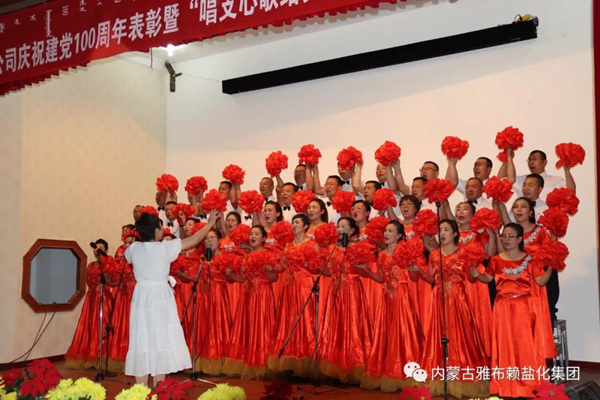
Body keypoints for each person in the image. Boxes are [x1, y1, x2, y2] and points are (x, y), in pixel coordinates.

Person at [124, 209, 217, 386]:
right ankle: (159, 389)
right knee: (161, 339)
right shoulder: (165, 248)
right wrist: (211, 223)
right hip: (159, 295)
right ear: (156, 230)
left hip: (141, 296)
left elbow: (128, 256)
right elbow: (194, 239)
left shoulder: (134, 249)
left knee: (141, 340)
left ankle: (139, 391)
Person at [470, 223, 554, 398]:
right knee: (504, 345)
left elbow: (540, 281)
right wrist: (478, 275)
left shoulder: (530, 259)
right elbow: (488, 279)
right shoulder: (496, 260)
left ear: (520, 239)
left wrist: (552, 266)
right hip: (502, 307)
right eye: (504, 236)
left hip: (523, 307)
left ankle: (528, 385)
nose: (506, 240)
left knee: (525, 345)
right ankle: (506, 385)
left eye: (510, 236)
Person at [415, 219, 489, 398]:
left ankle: (461, 377)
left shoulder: (464, 252)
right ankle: (439, 378)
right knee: (437, 336)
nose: (442, 233)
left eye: (447, 229)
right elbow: (431, 279)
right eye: (440, 229)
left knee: (460, 337)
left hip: (457, 298)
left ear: (455, 233)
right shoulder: (434, 254)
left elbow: (470, 280)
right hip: (438, 298)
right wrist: (418, 271)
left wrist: (474, 273)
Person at [359, 221, 424, 392]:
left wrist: (414, 269)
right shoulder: (381, 255)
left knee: (403, 333)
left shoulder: (404, 251)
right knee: (386, 333)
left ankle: (406, 371)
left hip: (401, 295)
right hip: (386, 296)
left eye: (390, 231)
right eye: (385, 231)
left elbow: (414, 278)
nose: (386, 234)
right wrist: (367, 271)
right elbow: (381, 278)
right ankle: (389, 371)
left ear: (399, 235)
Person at [318, 217, 373, 383]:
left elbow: (364, 272)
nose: (339, 229)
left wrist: (362, 267)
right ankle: (337, 365)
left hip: (352, 290)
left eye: (344, 226)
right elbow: (328, 272)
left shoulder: (357, 248)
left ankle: (355, 365)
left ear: (351, 231)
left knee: (353, 325)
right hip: (335, 290)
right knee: (337, 326)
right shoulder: (331, 248)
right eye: (338, 226)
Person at [223, 226, 279, 380]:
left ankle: (262, 362)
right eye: (251, 234)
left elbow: (274, 278)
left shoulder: (268, 254)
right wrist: (231, 274)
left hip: (262, 294)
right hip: (247, 295)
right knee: (247, 327)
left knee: (261, 326)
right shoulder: (246, 256)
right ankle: (248, 360)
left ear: (264, 238)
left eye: (256, 234)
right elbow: (242, 278)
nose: (253, 236)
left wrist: (267, 270)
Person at [268, 214, 320, 377]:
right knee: (288, 319)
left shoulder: (312, 244)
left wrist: (307, 264)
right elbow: (281, 267)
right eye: (293, 222)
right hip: (289, 286)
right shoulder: (288, 245)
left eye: (297, 222)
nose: (294, 225)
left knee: (304, 319)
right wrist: (268, 263)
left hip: (304, 285)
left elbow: (316, 267)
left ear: (305, 226)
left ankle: (306, 360)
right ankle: (289, 360)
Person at [65, 239, 114, 370]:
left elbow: (111, 281)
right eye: (95, 249)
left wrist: (106, 265)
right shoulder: (91, 265)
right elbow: (88, 281)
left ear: (106, 250)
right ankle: (90, 357)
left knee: (102, 326)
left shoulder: (108, 264)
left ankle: (102, 357)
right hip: (91, 300)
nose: (97, 252)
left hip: (103, 298)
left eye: (101, 249)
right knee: (89, 328)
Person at [193, 229, 234, 375]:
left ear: (220, 240)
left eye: (212, 237)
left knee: (217, 323)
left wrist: (229, 273)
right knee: (203, 324)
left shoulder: (225, 257)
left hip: (217, 294)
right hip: (203, 295)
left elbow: (231, 279)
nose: (209, 240)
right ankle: (202, 360)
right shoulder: (202, 258)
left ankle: (219, 359)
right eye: (207, 238)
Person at [501, 148, 576, 201]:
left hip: (546, 217)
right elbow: (500, 181)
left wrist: (567, 170)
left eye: (535, 159)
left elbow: (570, 193)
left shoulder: (556, 180)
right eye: (529, 160)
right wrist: (508, 158)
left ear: (545, 162)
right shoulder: (522, 179)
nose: (531, 162)